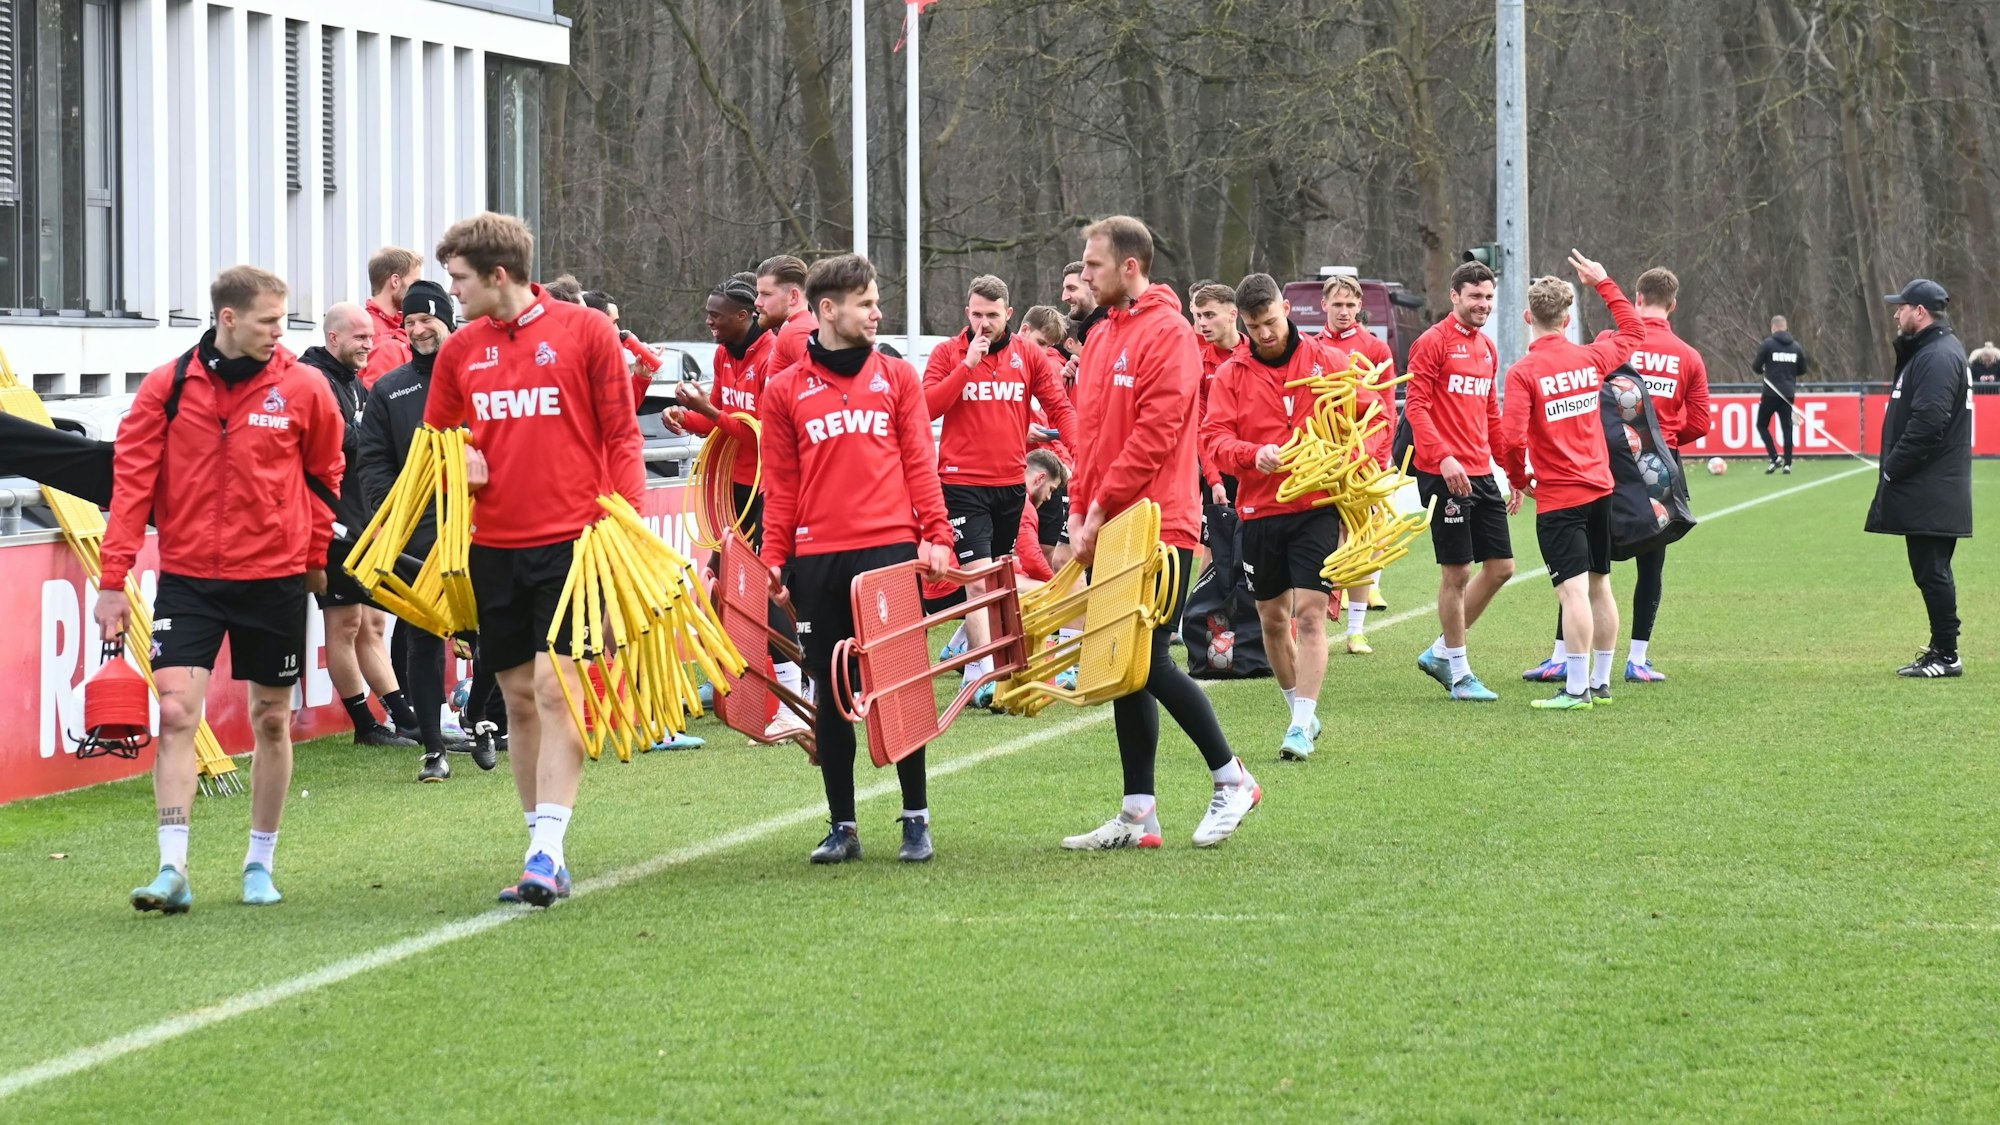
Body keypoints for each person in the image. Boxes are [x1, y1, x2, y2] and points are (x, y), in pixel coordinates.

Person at [98, 265, 345, 912]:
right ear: (228, 318)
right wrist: (112, 581)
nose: (280, 332)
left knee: (271, 719)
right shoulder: (167, 387)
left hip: (274, 579)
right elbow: (130, 488)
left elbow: (326, 476)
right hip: (190, 581)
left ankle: (259, 862)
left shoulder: (305, 387)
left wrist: (314, 556)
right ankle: (172, 867)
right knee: (177, 712)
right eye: (269, 321)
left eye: (282, 320)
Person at [424, 212, 646, 906]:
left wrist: (628, 529)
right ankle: (542, 848)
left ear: (498, 275)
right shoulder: (461, 351)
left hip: (576, 542)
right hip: (492, 546)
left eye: (459, 279)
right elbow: (436, 440)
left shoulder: (587, 331)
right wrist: (461, 460)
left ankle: (546, 850)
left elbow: (622, 435)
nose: (452, 292)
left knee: (557, 688)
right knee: (519, 698)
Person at [1061, 215, 1257, 851]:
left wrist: (1101, 505)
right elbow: (1090, 437)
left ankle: (1233, 779)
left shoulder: (1170, 332)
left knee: (1147, 661)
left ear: (1129, 267)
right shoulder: (1100, 335)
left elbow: (1159, 431)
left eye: (1093, 265)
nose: (1084, 275)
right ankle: (1138, 814)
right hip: (1108, 521)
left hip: (1158, 525)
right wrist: (1080, 507)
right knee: (1126, 666)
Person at [759, 254, 955, 864]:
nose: (877, 313)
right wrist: (774, 556)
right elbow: (781, 484)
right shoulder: (784, 390)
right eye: (866, 303)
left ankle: (916, 819)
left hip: (888, 551)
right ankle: (842, 826)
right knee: (830, 689)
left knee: (899, 683)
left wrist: (938, 534)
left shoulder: (897, 377)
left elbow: (920, 462)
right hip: (819, 559)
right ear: (828, 309)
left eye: (876, 302)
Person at [1524, 267, 1711, 685]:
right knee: (1652, 562)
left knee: (1582, 564)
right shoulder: (1688, 356)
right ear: (1673, 304)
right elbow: (1699, 422)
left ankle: (1562, 656)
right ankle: (1637, 659)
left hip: (1604, 459)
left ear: (1638, 298)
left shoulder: (1609, 340)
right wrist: (1660, 437)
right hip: (1656, 467)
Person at [358, 280, 497, 779]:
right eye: (410, 321)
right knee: (422, 637)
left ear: (447, 321)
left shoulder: (483, 376)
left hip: (485, 526)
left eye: (427, 320)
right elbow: (372, 461)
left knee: (493, 632)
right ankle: (434, 749)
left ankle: (477, 714)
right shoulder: (390, 389)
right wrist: (396, 511)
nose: (418, 330)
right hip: (419, 533)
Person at [1496, 253, 1646, 711]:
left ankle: (1577, 689)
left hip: (1560, 497)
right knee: (1600, 585)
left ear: (1528, 318)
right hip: (1600, 489)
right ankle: (1600, 682)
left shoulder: (1524, 372)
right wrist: (1604, 281)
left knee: (1572, 591)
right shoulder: (1590, 357)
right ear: (1567, 318)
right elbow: (1634, 332)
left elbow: (1510, 438)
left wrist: (1519, 479)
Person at [922, 275, 1080, 709]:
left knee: (996, 579)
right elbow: (926, 407)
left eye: (992, 315)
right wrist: (966, 366)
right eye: (977, 314)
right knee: (977, 580)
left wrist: (1081, 451)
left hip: (1010, 486)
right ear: (966, 313)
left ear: (1009, 314)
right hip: (961, 484)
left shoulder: (1028, 354)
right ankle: (979, 673)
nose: (984, 323)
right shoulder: (947, 353)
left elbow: (1059, 407)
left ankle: (984, 661)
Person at [666, 275, 810, 740]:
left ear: (743, 316)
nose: (709, 321)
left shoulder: (772, 354)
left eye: (717, 315)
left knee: (768, 588)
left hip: (769, 488)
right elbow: (719, 422)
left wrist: (708, 413)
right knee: (717, 585)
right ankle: (725, 673)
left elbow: (761, 433)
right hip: (734, 489)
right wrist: (685, 417)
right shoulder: (724, 354)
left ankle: (794, 695)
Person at [1200, 273, 1337, 761]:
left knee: (1310, 614)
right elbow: (1213, 438)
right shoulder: (1231, 375)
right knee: (1273, 621)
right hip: (1259, 510)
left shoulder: (1325, 359)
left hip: (1316, 506)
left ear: (1287, 309)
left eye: (1271, 322)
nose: (1265, 333)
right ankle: (1300, 712)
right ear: (1242, 322)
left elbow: (1369, 414)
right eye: (1255, 326)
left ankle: (1299, 726)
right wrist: (1251, 454)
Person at [300, 301, 423, 749]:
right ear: (333, 337)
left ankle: (404, 718)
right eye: (360, 337)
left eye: (371, 336)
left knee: (371, 622)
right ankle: (365, 724)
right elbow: (340, 438)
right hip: (329, 523)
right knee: (345, 623)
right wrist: (370, 436)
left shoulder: (351, 381)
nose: (369, 344)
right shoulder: (313, 379)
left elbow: (366, 438)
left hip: (361, 520)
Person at [1403, 261, 1513, 701]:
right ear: (1455, 296)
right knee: (1458, 571)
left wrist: (1511, 470)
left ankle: (1440, 651)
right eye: (1475, 296)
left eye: (1488, 297)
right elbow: (1416, 407)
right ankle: (1461, 675)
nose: (1483, 304)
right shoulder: (1432, 342)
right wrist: (1443, 457)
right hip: (1443, 473)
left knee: (1502, 568)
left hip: (1481, 472)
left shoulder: (1487, 348)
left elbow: (1491, 413)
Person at [1867, 279, 1974, 679]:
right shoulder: (1932, 351)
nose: (1896, 314)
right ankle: (1941, 649)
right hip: (1932, 484)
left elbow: (1929, 422)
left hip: (1932, 485)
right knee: (1930, 571)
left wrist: (1893, 466)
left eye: (1902, 307)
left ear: (1920, 311)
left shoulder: (1938, 355)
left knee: (1932, 571)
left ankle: (1947, 654)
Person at [1318, 273, 1399, 645]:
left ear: (1360, 307)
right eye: (1337, 304)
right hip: (1323, 461)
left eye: (1350, 305)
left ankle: (1356, 630)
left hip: (1365, 461)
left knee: (1363, 538)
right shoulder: (1311, 347)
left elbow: (1387, 409)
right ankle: (1317, 620)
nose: (1344, 311)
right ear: (1324, 305)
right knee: (1323, 538)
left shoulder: (1375, 348)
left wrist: (1377, 460)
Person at [1019, 305, 1080, 571]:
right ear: (1024, 330)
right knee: (1039, 552)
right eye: (1041, 343)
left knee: (1050, 549)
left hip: (1046, 469)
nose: (1043, 351)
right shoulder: (1012, 366)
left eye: (1048, 346)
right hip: (1022, 473)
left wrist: (1069, 461)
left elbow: (1057, 419)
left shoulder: (1045, 366)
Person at [1190, 283, 1242, 510]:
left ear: (1232, 315)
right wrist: (1213, 479)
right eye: (1200, 316)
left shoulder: (1254, 355)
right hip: (1219, 470)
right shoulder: (1200, 364)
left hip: (1257, 465)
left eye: (1210, 315)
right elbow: (1200, 429)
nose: (1202, 323)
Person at [1752, 315, 1809, 474]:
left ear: (1773, 328)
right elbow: (1803, 369)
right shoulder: (1796, 347)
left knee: (1761, 425)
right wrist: (1789, 374)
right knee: (1787, 427)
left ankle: (1774, 457)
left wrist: (1765, 370)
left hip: (1770, 392)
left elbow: (1756, 366)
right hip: (1788, 393)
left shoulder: (1768, 344)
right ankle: (1788, 463)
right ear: (1786, 327)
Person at [360, 247, 420, 390]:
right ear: (395, 281)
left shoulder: (401, 324)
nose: (417, 290)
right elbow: (378, 395)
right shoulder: (370, 330)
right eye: (415, 283)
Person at [756, 255, 817, 373]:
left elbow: (825, 379)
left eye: (766, 294)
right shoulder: (793, 328)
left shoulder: (797, 332)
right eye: (758, 294)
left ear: (793, 297)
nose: (757, 302)